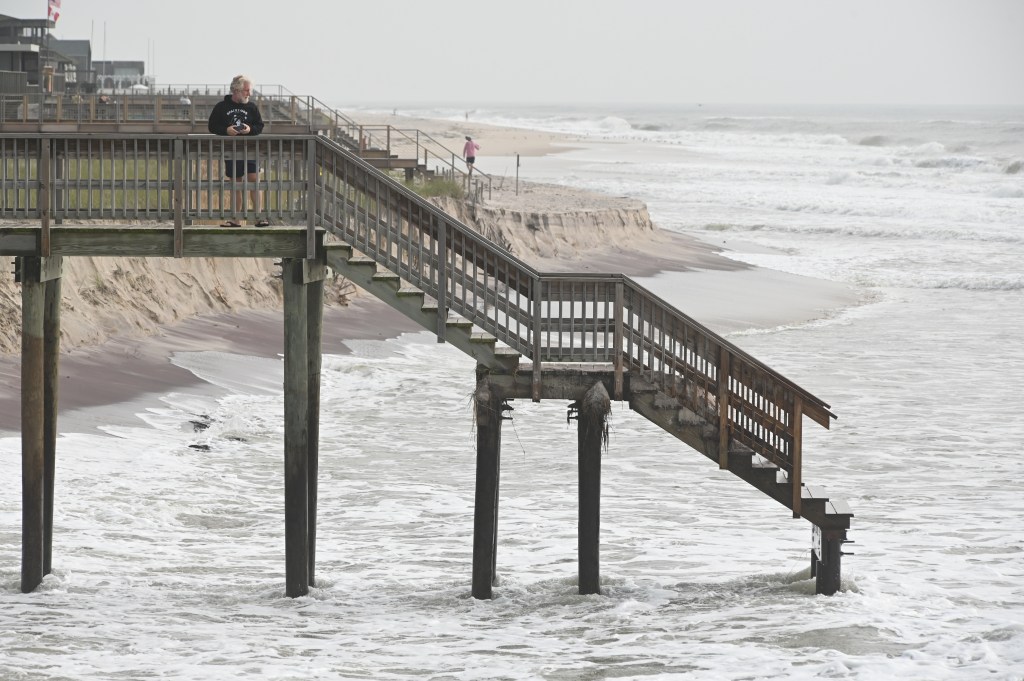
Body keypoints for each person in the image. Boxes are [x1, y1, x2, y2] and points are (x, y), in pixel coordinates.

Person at [207, 74, 268, 226]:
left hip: (251, 151)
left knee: (254, 181)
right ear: (236, 90)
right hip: (231, 151)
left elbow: (259, 126)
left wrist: (250, 129)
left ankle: (259, 217)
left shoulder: (252, 107)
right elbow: (212, 126)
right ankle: (235, 220)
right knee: (236, 184)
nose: (249, 94)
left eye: (249, 90)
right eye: (247, 90)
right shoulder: (221, 107)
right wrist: (226, 130)